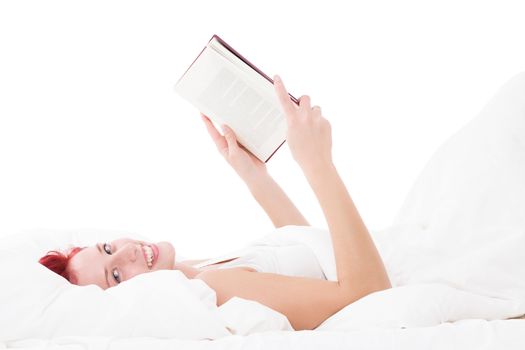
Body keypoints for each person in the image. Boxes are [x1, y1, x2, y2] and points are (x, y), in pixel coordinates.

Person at [38, 75, 392, 331]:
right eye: (115, 275)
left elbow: (306, 246)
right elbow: (368, 295)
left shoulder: (196, 268)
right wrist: (318, 164)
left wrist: (255, 177)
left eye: (107, 247)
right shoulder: (214, 288)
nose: (126, 252)